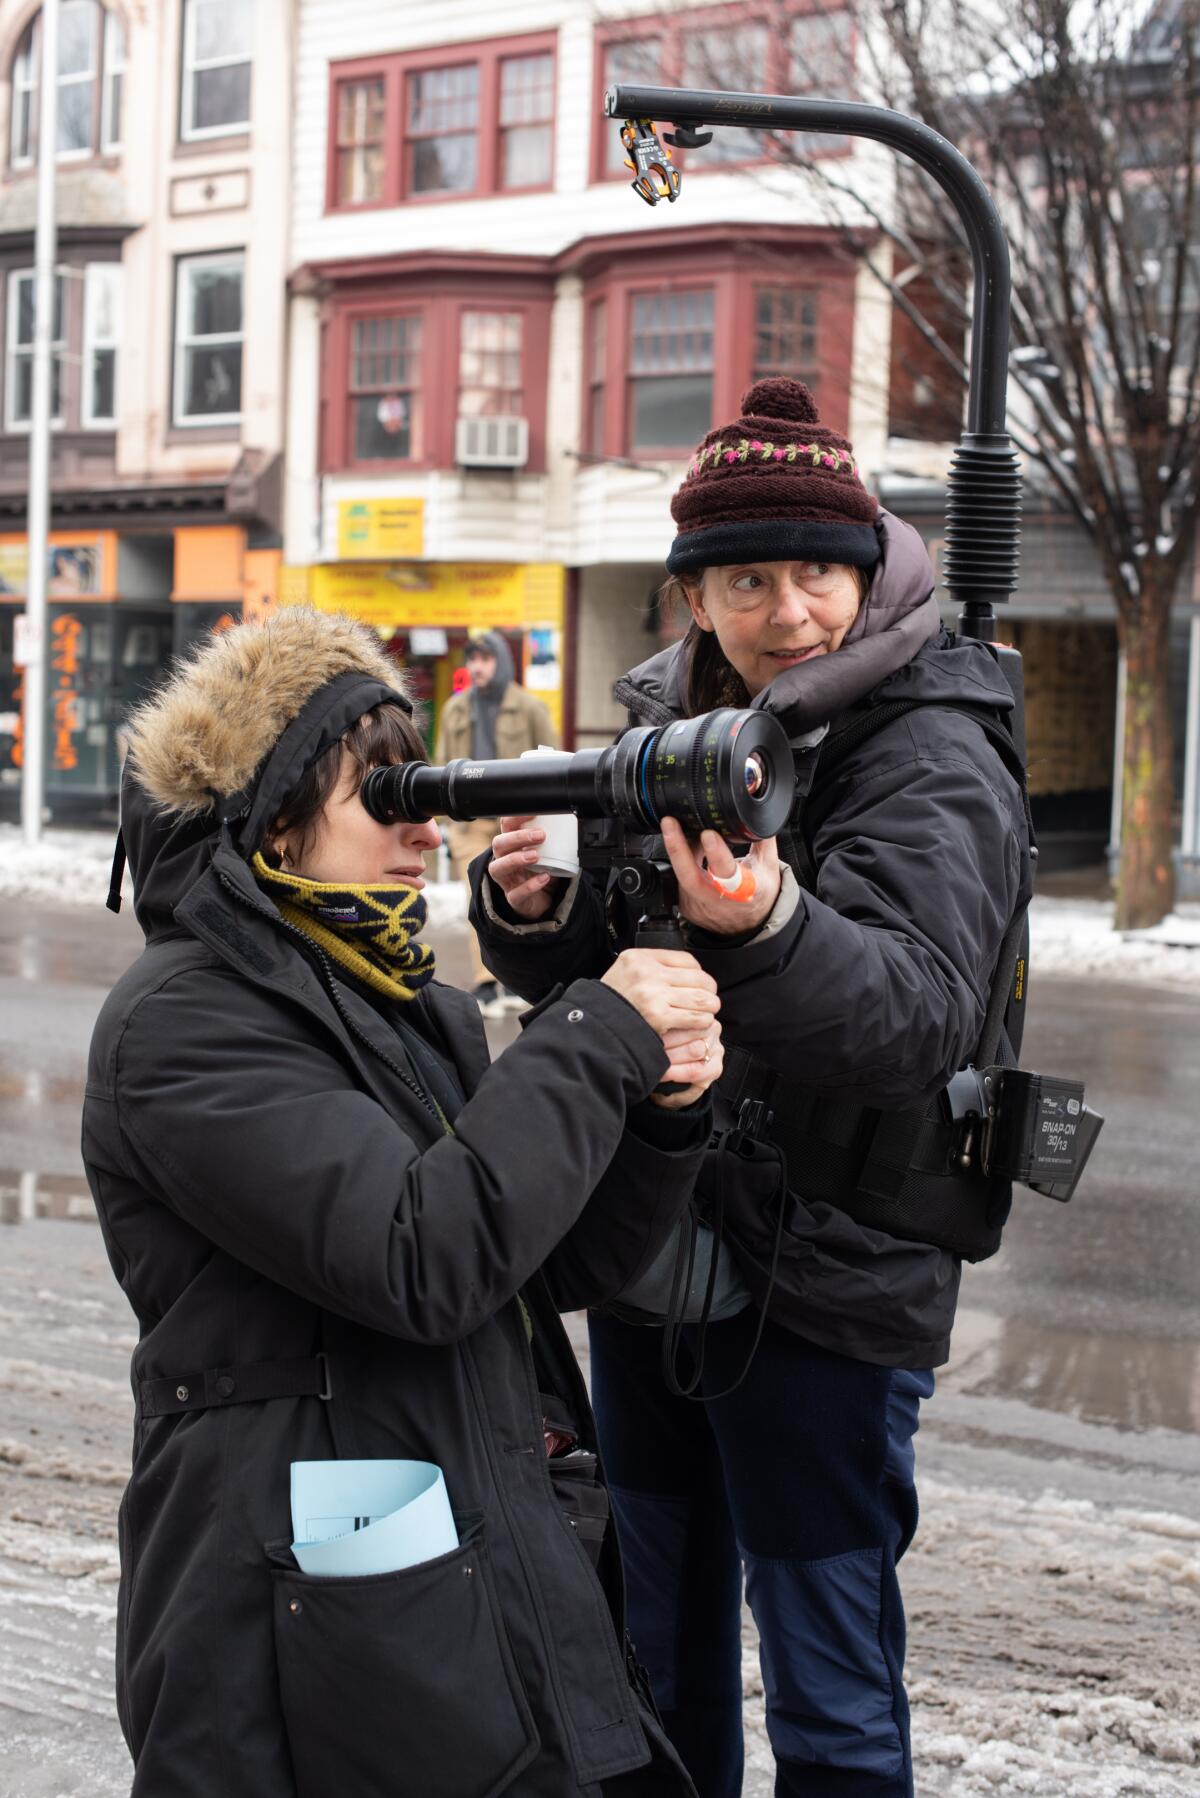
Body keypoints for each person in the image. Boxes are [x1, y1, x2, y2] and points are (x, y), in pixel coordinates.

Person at [471, 378, 1034, 1798]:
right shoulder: (655, 720)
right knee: (649, 1651)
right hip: (660, 1247)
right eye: (747, 579)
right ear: (694, 595)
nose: (791, 612)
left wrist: (771, 927)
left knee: (828, 1680)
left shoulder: (933, 731)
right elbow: (604, 977)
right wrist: (533, 911)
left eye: (818, 574)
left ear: (867, 565)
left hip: (833, 1276)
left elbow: (920, 1014)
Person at [83, 606, 727, 1798]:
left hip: (467, 1557)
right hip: (281, 1613)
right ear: (271, 813)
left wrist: (662, 1112)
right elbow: (423, 1254)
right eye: (381, 795)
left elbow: (550, 1263)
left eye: (421, 790)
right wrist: (594, 1033)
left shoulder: (398, 997)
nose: (425, 828)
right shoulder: (184, 1023)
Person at [435, 629, 558, 1016]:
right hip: (471, 823)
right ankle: (487, 980)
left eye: (485, 659)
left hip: (517, 821)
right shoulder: (455, 709)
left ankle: (518, 977)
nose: (477, 667)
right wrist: (444, 823)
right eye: (472, 659)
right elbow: (441, 765)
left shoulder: (529, 707)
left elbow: (552, 761)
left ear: (500, 661)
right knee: (480, 897)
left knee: (522, 896)